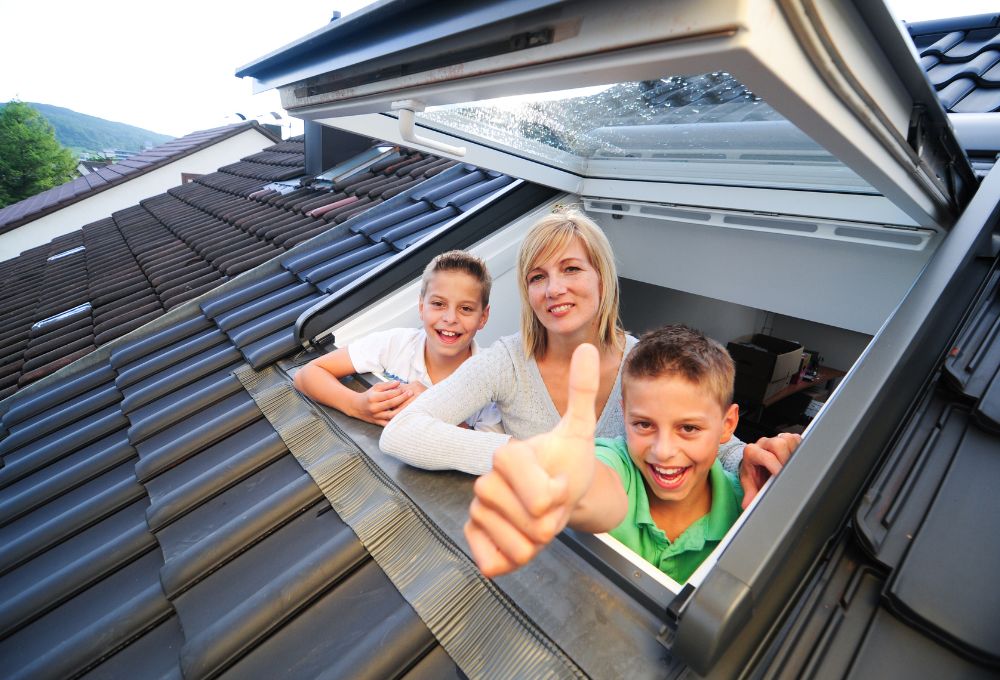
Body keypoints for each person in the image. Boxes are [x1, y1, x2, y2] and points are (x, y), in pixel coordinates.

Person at [380, 209, 789, 487]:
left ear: (601, 279)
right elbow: (403, 433)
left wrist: (750, 458)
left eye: (571, 269)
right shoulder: (507, 360)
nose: (554, 289)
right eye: (537, 277)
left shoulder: (646, 362)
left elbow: (716, 446)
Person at [464, 326, 801, 580]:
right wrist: (567, 484)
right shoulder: (616, 463)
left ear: (728, 424)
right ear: (624, 414)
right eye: (644, 425)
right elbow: (597, 489)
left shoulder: (749, 505)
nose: (663, 451)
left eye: (689, 428)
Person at [293, 250, 500, 430]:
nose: (450, 318)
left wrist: (433, 407)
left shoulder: (494, 385)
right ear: (421, 307)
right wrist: (357, 405)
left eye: (466, 309)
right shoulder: (395, 344)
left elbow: (497, 455)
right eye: (438, 304)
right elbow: (306, 375)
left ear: (483, 317)